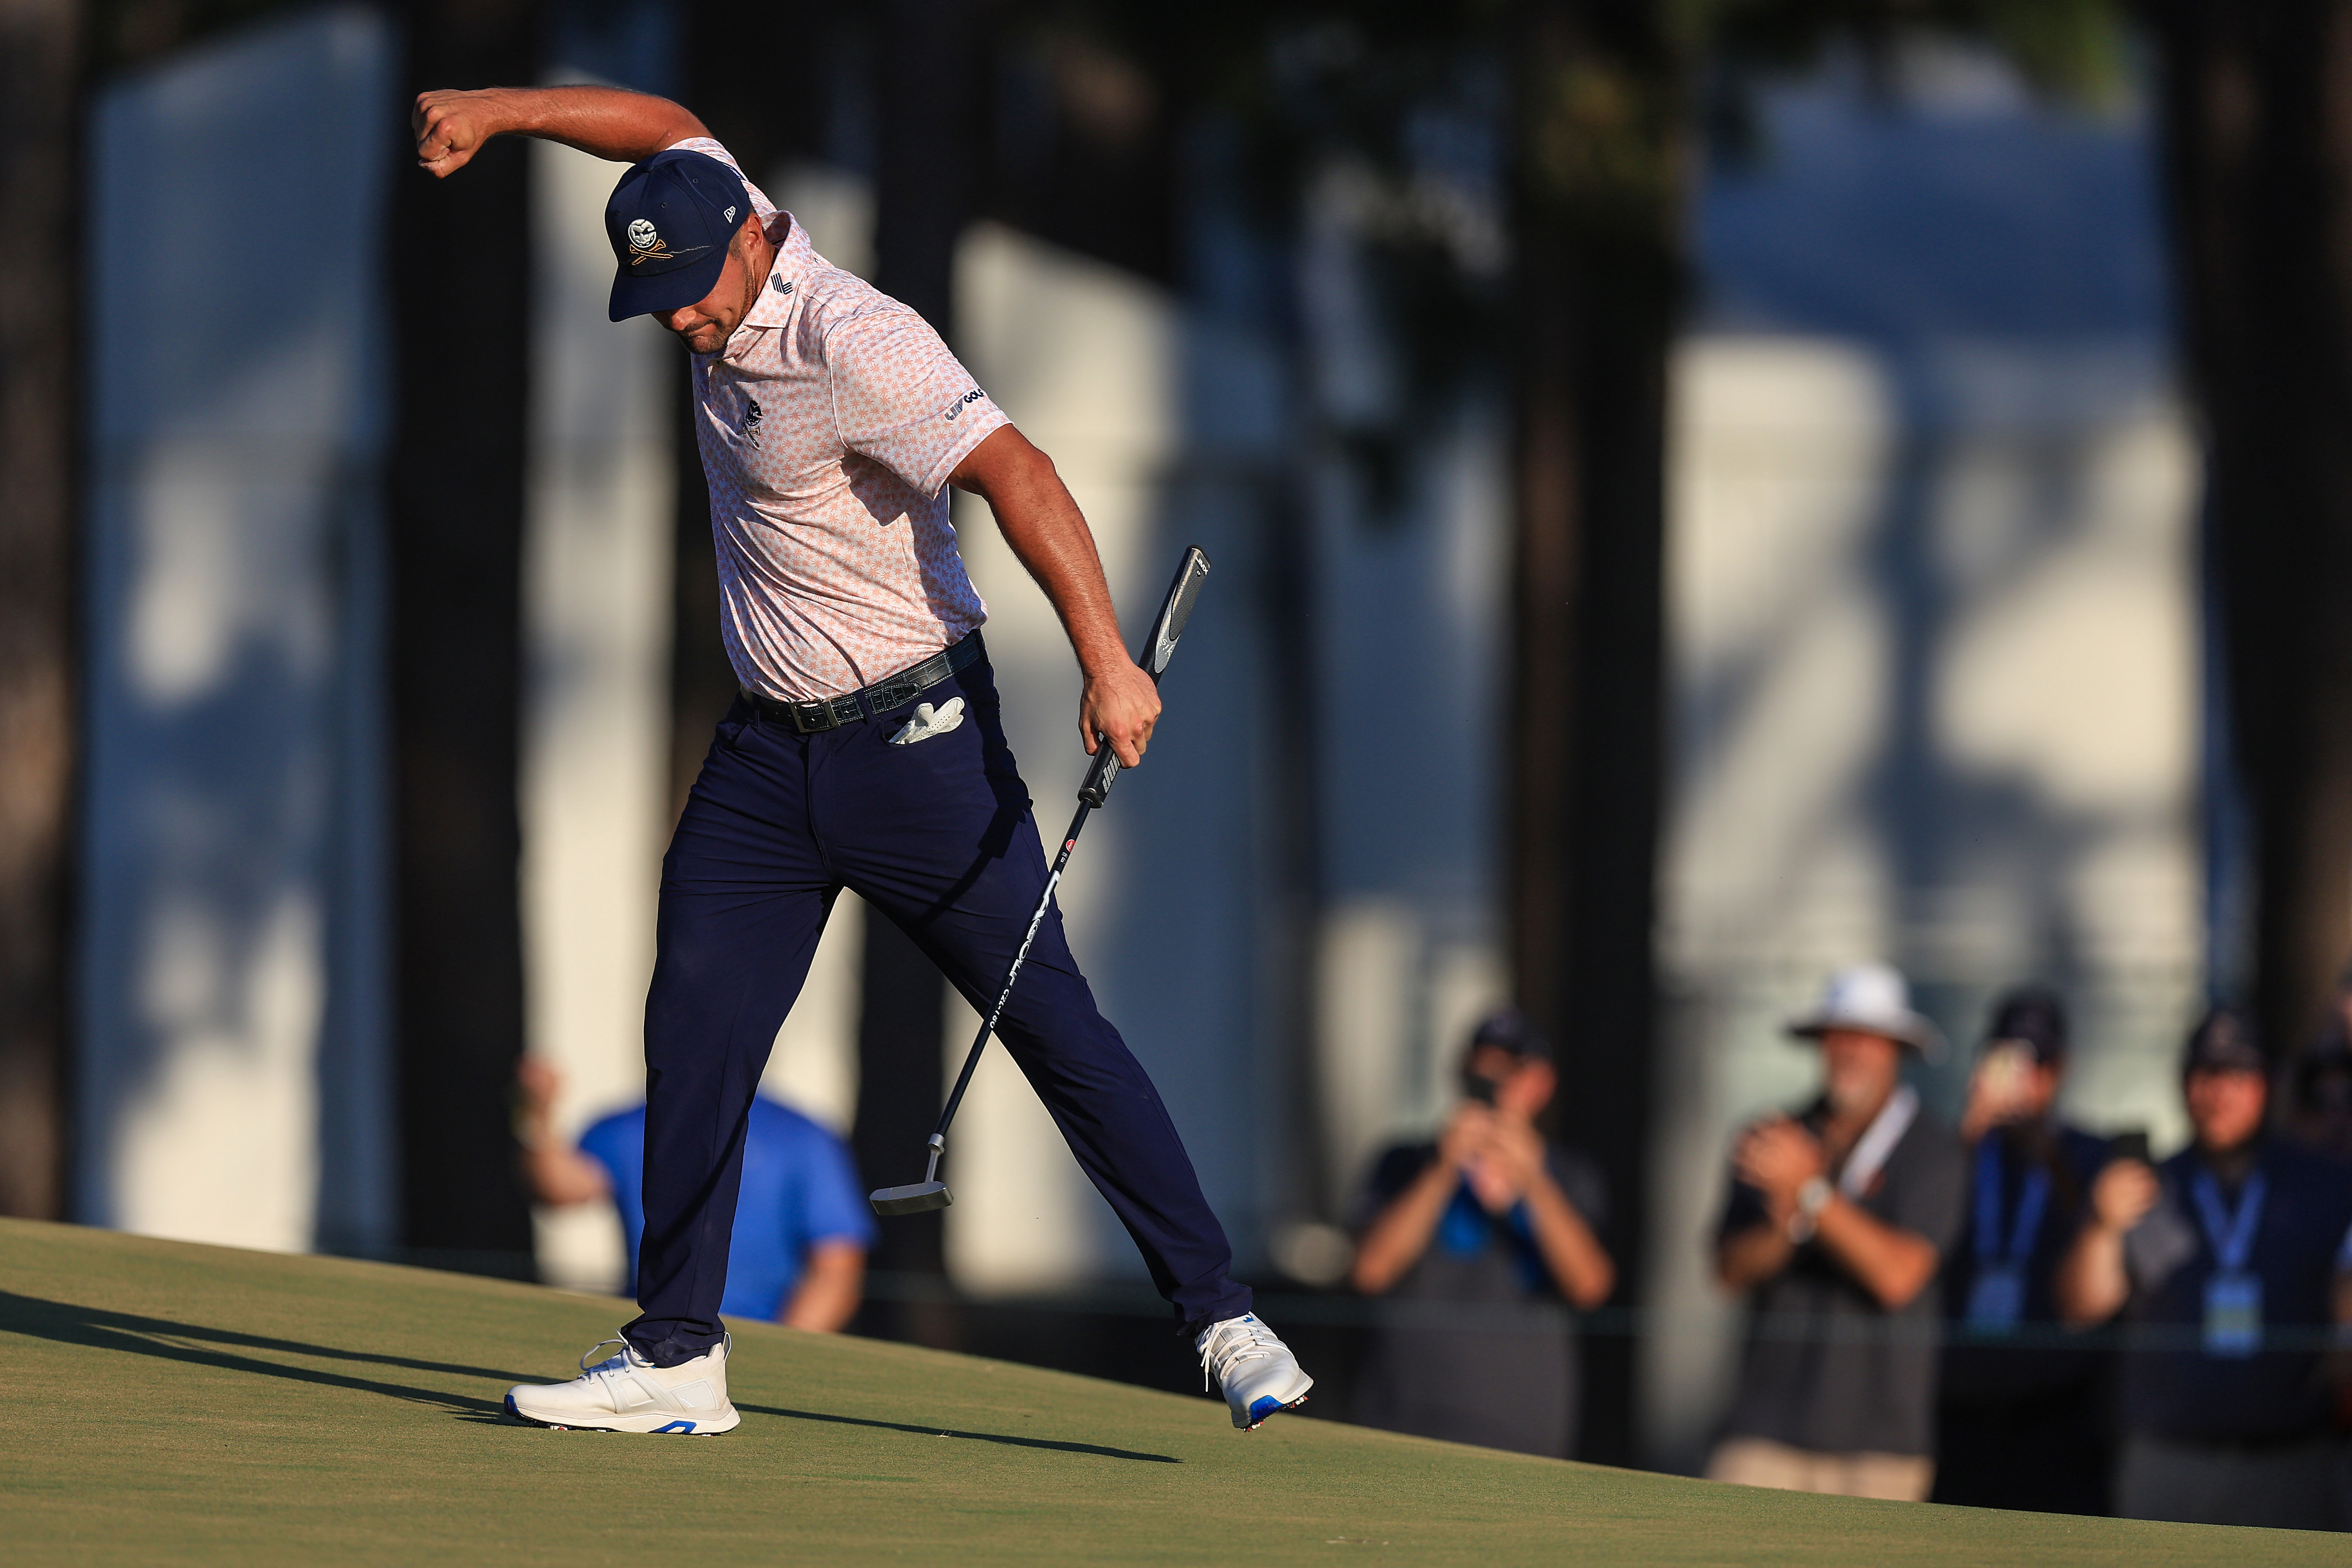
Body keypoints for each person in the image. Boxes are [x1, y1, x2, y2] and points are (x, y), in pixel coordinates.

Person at [410, 85, 1312, 1436]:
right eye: (657, 301)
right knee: (695, 1027)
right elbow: (662, 118)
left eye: (695, 296)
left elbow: (1022, 473)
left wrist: (1106, 658)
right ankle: (676, 1352)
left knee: (1053, 1022)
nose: (681, 321)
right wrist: (503, 109)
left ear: (752, 244)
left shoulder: (860, 340)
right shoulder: (706, 201)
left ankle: (1223, 1317)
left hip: (918, 748)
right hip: (767, 761)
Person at [2055, 1009, 2352, 1530]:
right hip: (2171, 1464)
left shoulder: (2322, 1184)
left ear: (2269, 1085)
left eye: (2238, 1076)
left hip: (2291, 1461)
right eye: (2205, 1075)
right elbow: (2081, 1308)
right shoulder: (2146, 1185)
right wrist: (2099, 1229)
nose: (2219, 1094)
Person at [1706, 964, 1966, 1502]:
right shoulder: (1772, 1139)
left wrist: (1811, 1193)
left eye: (1867, 1039)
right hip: (1765, 1429)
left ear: (1896, 1049)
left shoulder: (1933, 1152)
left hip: (1879, 1447)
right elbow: (1728, 1272)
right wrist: (1783, 1223)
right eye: (1839, 1036)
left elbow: (1898, 1276)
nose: (1850, 1052)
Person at [1347, 1009, 1615, 1458]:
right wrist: (1442, 1170)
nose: (1491, 1086)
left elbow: (1591, 1284)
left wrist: (1532, 1181)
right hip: (1403, 1419)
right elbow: (1369, 1271)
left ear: (1541, 1084)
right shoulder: (1405, 1161)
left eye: (1507, 1073)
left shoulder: (1569, 1175)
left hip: (1520, 1428)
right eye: (1479, 1072)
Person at [1930, 986, 2113, 1514]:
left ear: (2060, 1070)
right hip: (1960, 1418)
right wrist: (1968, 1132)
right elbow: (1919, 1236)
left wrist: (2047, 1154)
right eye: (2009, 1060)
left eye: (2038, 1063)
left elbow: (2101, 1232)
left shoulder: (2086, 1152)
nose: (2024, 1080)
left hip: (2058, 1422)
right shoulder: (1959, 1152)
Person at [517, 1060, 870, 1331]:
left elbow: (836, 1266)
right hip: (647, 1334)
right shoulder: (631, 1125)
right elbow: (562, 1192)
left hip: (761, 1329)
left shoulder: (800, 1136)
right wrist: (537, 1116)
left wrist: (782, 1355)